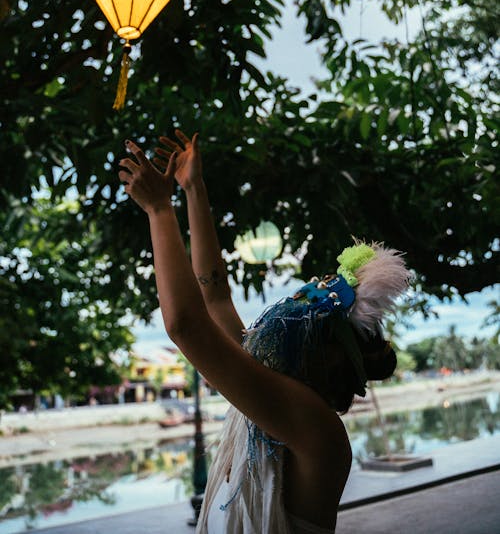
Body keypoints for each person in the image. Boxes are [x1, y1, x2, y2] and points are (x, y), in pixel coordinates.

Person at [118, 130, 410, 533]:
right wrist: (193, 190)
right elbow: (215, 298)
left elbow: (188, 326)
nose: (293, 303)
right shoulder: (267, 401)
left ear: (325, 353)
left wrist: (159, 211)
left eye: (308, 310)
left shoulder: (313, 426)